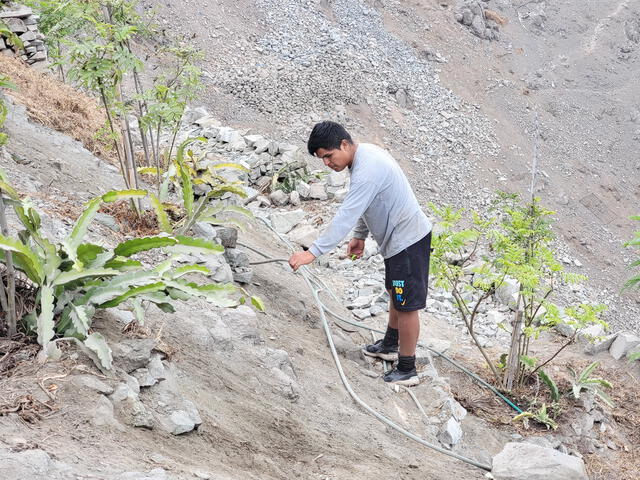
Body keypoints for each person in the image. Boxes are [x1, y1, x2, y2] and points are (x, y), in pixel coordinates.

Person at [289, 121, 432, 386]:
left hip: (409, 242)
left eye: (329, 156)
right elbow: (370, 203)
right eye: (323, 160)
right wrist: (359, 236)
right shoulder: (364, 156)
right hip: (397, 241)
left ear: (344, 144)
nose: (327, 164)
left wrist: (314, 252)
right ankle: (391, 343)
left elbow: (347, 213)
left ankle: (407, 368)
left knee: (407, 305)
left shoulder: (367, 168)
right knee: (395, 292)